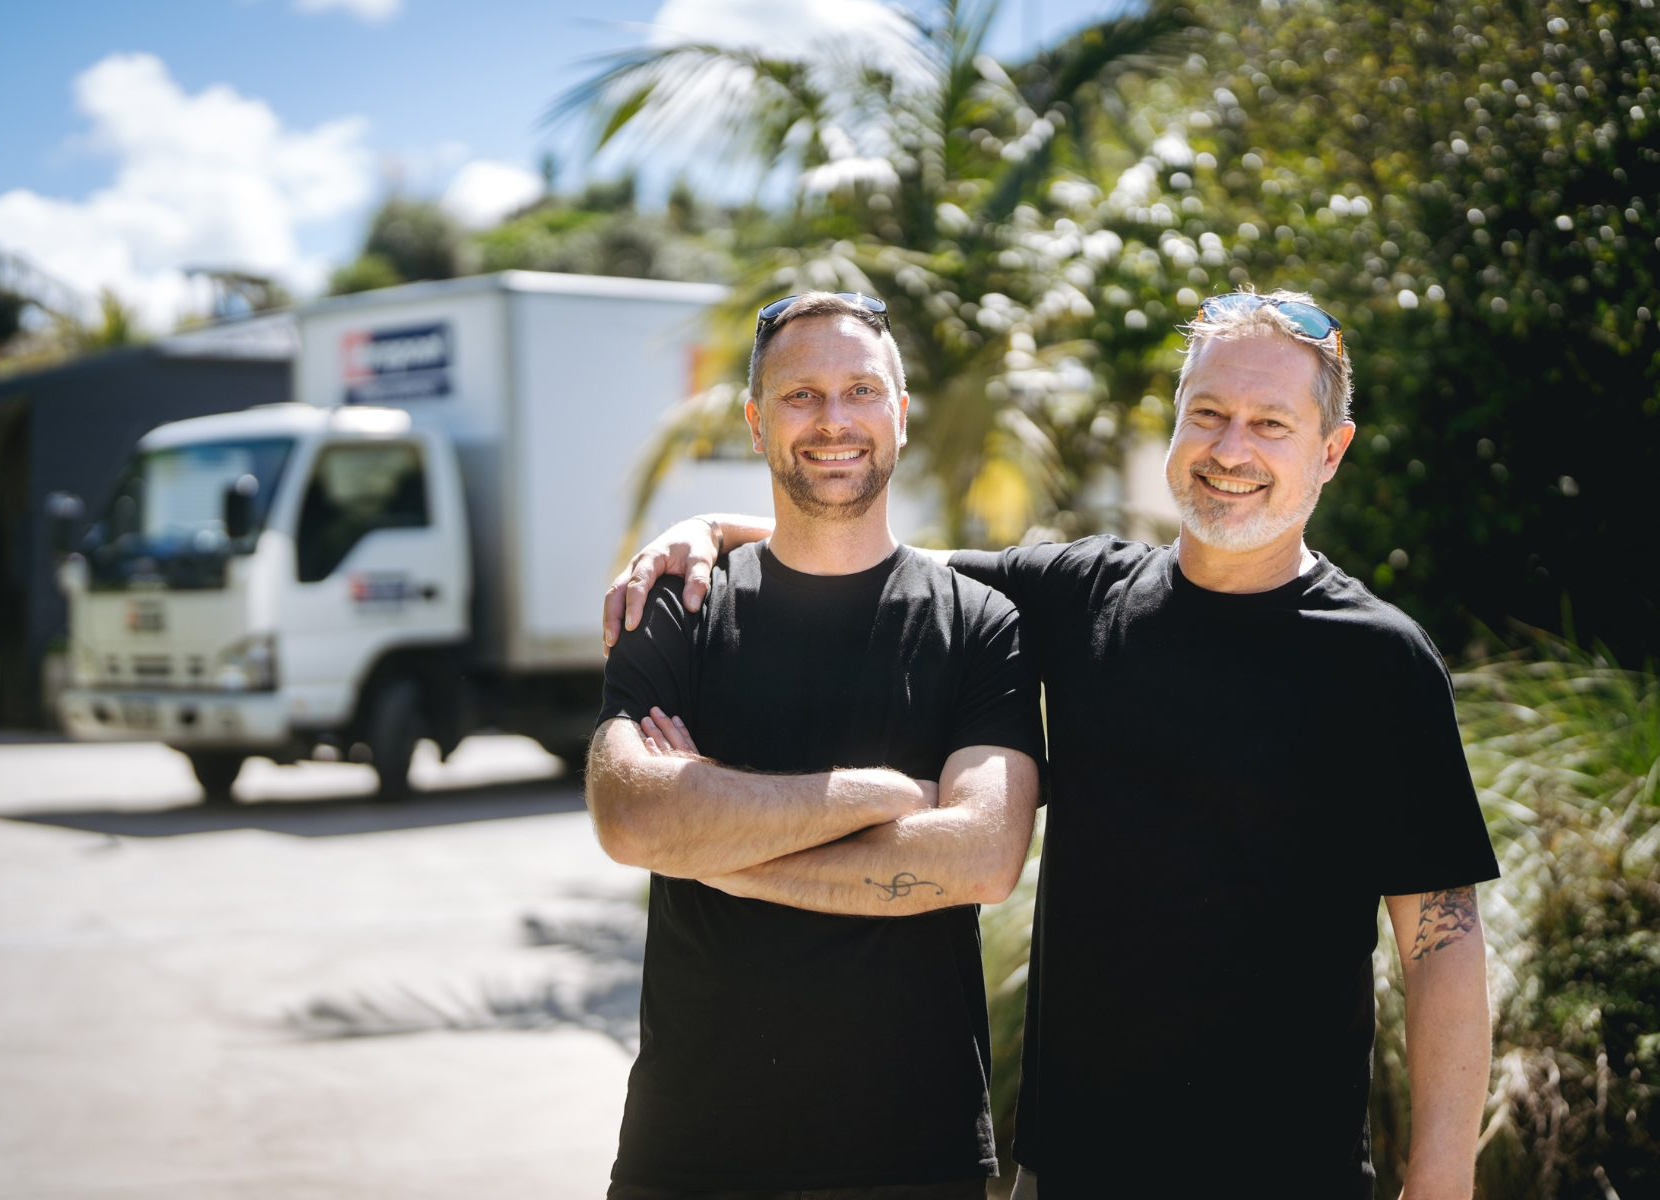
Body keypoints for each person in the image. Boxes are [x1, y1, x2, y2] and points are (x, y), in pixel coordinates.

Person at [604, 290, 1500, 1199]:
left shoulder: (1380, 659)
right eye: (1208, 414)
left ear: (1331, 451)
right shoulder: (1082, 594)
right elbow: (868, 550)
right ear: (1175, 427)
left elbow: (1442, 944)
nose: (1231, 449)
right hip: (1071, 1170)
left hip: (1287, 1173)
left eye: (1271, 423)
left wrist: (1441, 1178)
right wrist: (706, 531)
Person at [586, 292, 1047, 1199]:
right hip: (690, 1156)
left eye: (861, 391)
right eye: (800, 395)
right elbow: (632, 817)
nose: (834, 419)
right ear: (757, 423)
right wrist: (885, 795)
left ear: (899, 414)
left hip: (916, 1159)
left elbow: (982, 858)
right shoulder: (678, 603)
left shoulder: (981, 624)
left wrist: (718, 844)